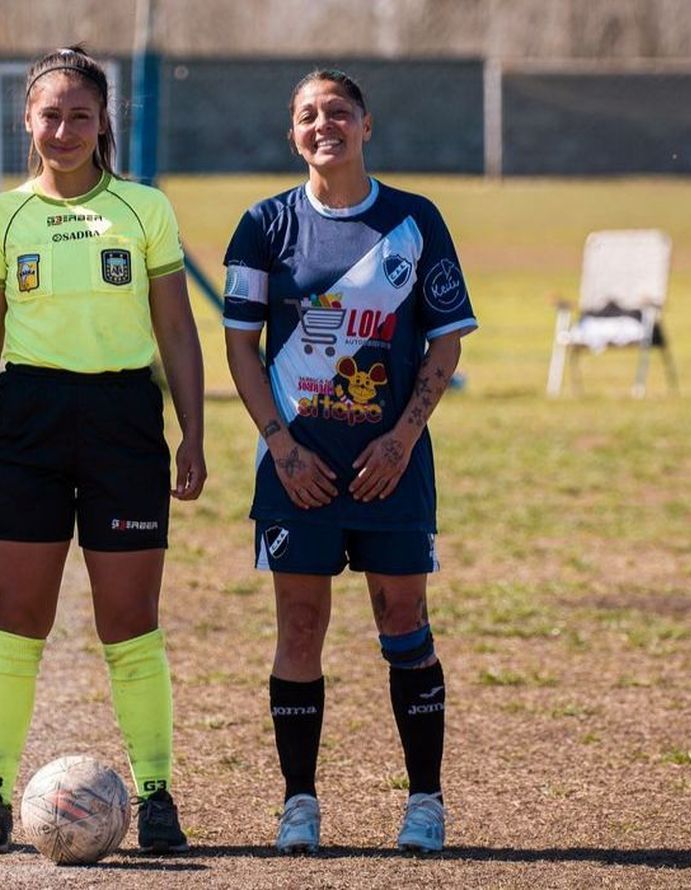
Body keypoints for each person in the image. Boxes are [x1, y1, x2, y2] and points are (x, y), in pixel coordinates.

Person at [0, 46, 206, 855]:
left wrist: (192, 429)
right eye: (50, 115)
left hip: (124, 418)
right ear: (26, 120)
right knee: (14, 623)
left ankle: (157, 793)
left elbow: (175, 326)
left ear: (104, 124)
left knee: (131, 625)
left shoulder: (143, 210)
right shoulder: (1, 215)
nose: (64, 130)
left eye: (80, 116)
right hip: (27, 420)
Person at [222, 69, 476, 855]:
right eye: (307, 115)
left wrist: (401, 439)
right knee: (300, 627)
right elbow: (238, 344)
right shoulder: (264, 226)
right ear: (291, 132)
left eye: (337, 112)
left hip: (391, 470)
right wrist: (282, 446)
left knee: (404, 624)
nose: (322, 124)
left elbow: (447, 337)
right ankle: (299, 804)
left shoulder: (414, 220)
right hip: (299, 470)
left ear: (366, 125)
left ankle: (425, 803)